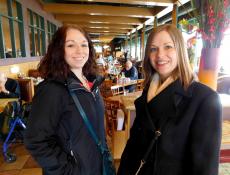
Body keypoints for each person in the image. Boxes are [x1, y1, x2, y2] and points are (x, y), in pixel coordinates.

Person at [118, 24, 222, 175]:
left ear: (180, 50)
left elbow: (205, 169)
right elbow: (132, 147)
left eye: (168, 47)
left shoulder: (204, 100)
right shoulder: (148, 92)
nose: (160, 55)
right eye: (153, 49)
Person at [24, 25, 108, 175]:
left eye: (84, 44)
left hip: (96, 166)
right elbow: (36, 140)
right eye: (70, 45)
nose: (79, 51)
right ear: (59, 50)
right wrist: (69, 171)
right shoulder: (51, 90)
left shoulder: (91, 83)